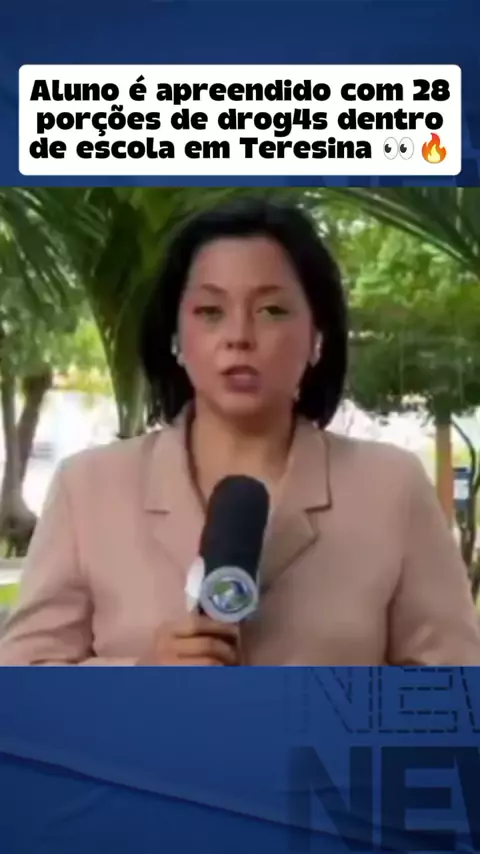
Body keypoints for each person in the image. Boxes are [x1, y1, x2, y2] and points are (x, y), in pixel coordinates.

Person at [0, 197, 479, 666]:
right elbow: (24, 680)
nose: (239, 337)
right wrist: (143, 680)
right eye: (211, 311)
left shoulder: (392, 488)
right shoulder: (87, 488)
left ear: (317, 337)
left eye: (271, 310)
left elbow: (453, 684)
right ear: (175, 338)